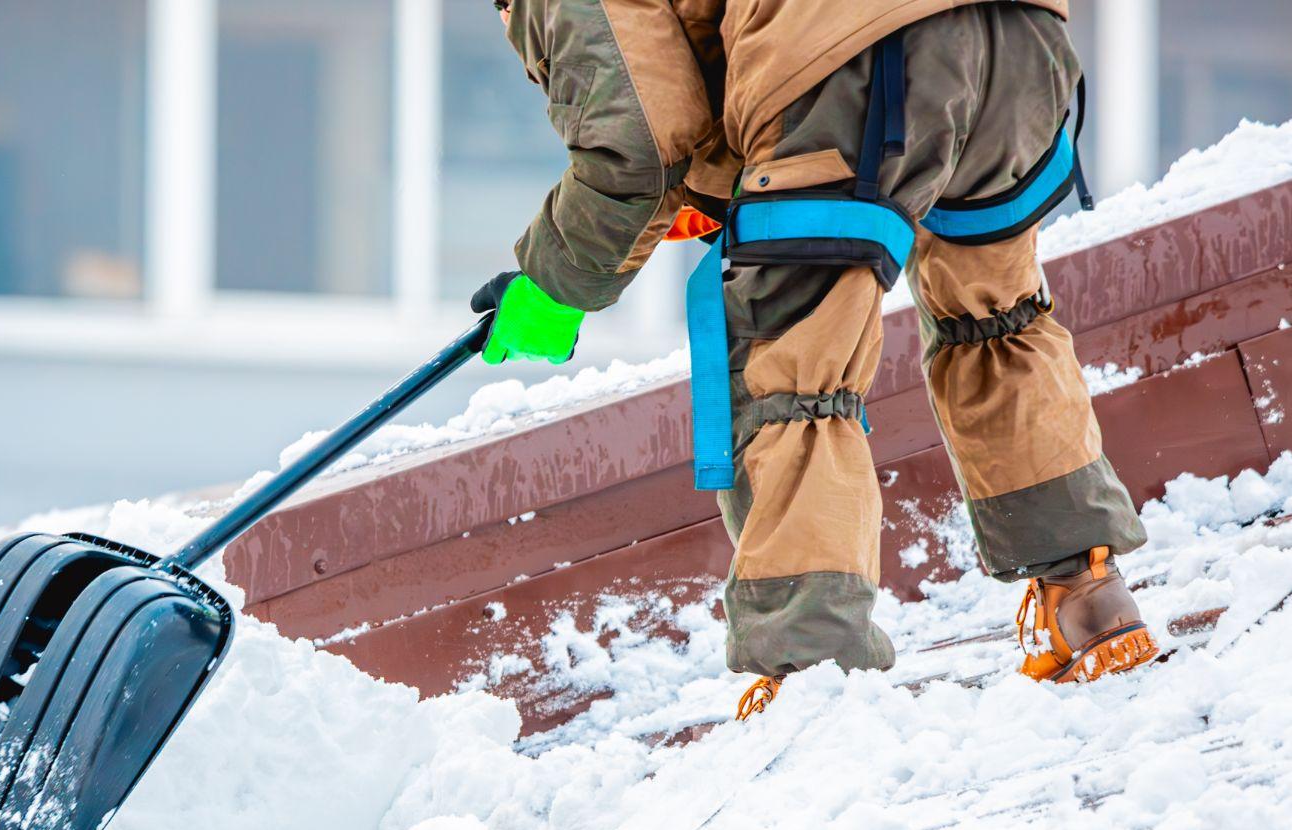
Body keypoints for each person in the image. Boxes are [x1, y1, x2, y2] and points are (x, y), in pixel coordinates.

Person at [474, 0, 1156, 718]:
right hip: (1020, 40)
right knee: (995, 316)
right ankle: (1088, 597)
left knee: (793, 372)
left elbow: (639, 148)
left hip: (859, 55)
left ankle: (814, 675)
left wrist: (555, 286)